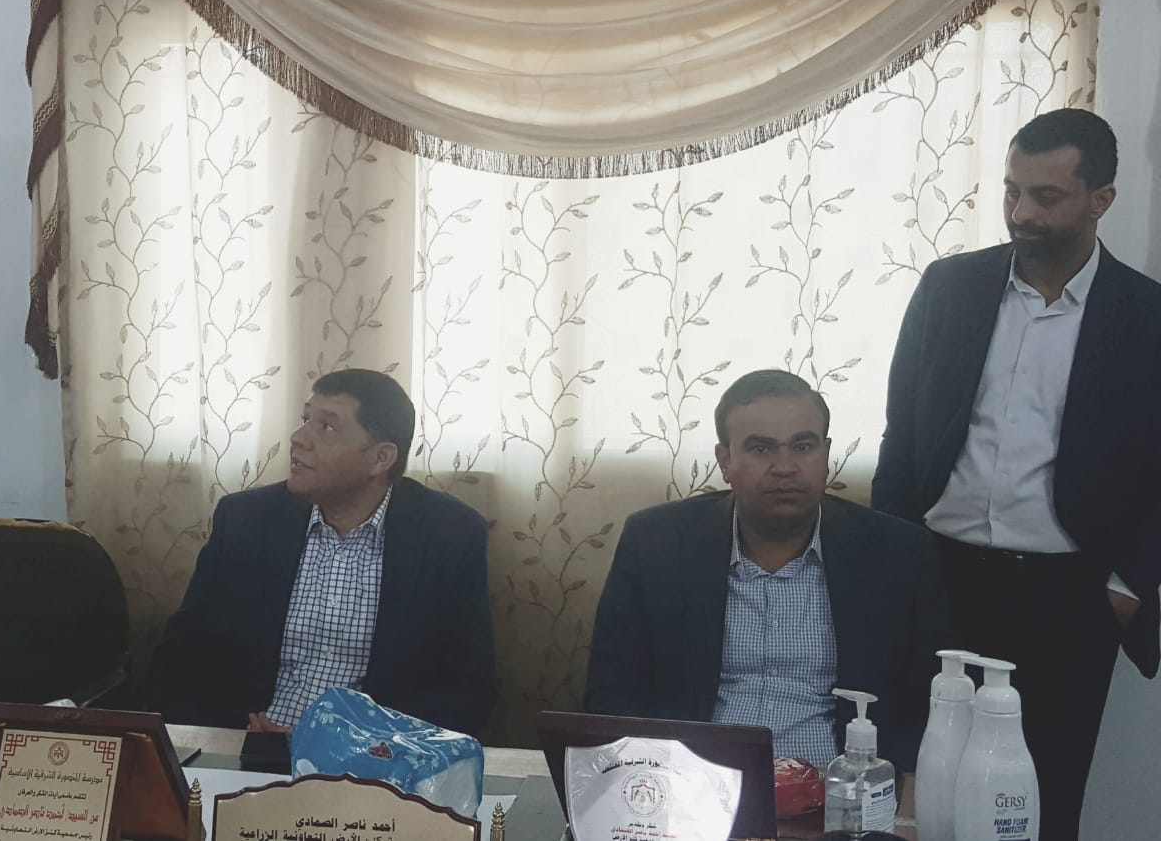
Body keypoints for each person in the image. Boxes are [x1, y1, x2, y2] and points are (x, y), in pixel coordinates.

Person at [871, 108, 1161, 838]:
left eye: (1046, 196)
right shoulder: (949, 287)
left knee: (1040, 799)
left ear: (1101, 199)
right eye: (1011, 191)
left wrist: (1127, 588)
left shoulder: (1146, 317)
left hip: (1069, 595)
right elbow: (902, 434)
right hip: (939, 574)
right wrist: (889, 556)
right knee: (920, 787)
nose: (1021, 213)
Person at [586, 370, 948, 771]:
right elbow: (612, 693)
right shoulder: (656, 543)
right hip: (694, 784)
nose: (785, 467)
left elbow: (933, 703)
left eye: (803, 446)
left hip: (843, 789)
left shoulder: (898, 553)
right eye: (761, 449)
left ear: (826, 454)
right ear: (725, 461)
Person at [147, 368, 497, 736]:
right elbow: (181, 656)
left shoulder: (449, 536)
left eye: (326, 427)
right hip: (245, 744)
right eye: (305, 420)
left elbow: (469, 688)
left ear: (381, 458)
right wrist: (226, 737)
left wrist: (354, 742)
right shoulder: (245, 521)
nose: (298, 439)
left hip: (370, 756)